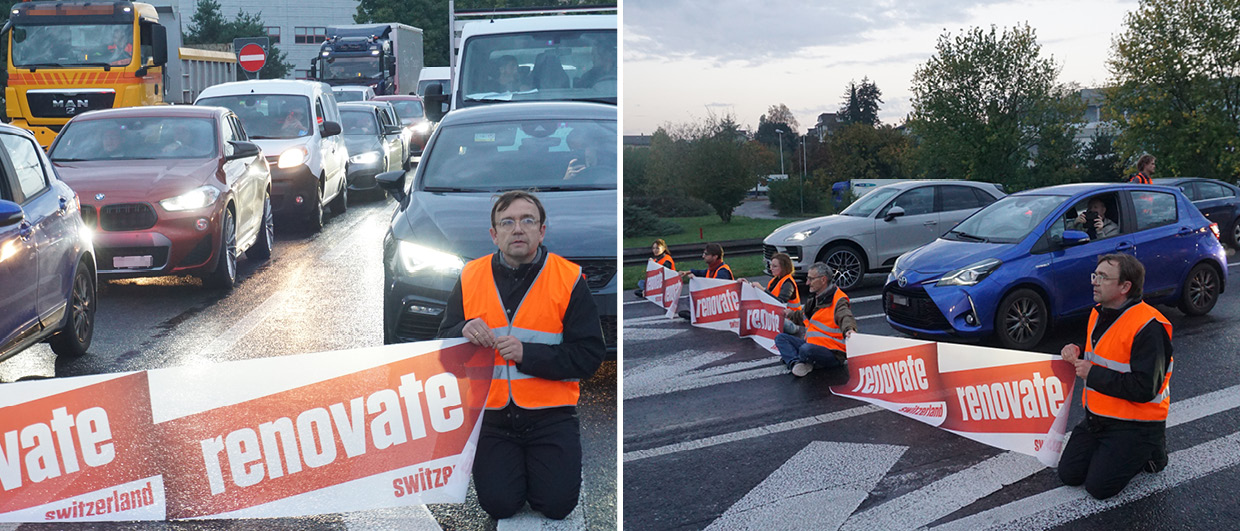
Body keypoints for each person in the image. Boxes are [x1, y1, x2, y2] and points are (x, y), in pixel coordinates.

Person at [437, 190, 605, 520]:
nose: (518, 229)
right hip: (492, 419)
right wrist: (461, 333)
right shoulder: (470, 276)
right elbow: (443, 352)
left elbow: (589, 356)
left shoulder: (568, 278)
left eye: (528, 220)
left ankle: (543, 473)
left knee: (557, 506)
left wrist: (528, 355)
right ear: (493, 234)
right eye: (508, 222)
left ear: (542, 231)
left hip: (551, 417)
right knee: (500, 505)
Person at [1057, 253, 1173, 500]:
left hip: (1135, 423)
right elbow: (1103, 349)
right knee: (1069, 475)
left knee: (1099, 489)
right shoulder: (1099, 313)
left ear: (1125, 287)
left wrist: (1093, 373)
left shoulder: (1149, 327)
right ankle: (1112, 451)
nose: (1094, 282)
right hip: (1098, 417)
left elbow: (1145, 388)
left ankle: (1153, 449)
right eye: (1095, 275)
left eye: (1103, 277)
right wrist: (1077, 348)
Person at [773, 262, 856, 377]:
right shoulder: (815, 298)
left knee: (805, 349)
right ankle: (796, 363)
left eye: (811, 279)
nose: (807, 283)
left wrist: (849, 329)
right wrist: (789, 314)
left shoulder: (838, 299)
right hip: (812, 345)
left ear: (823, 280)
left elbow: (845, 315)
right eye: (808, 278)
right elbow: (803, 316)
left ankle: (802, 360)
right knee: (780, 338)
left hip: (833, 352)